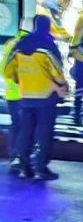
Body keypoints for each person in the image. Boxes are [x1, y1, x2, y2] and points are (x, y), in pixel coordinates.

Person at [3, 15, 67, 180]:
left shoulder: (20, 44)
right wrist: (62, 85)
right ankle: (40, 169)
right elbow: (56, 71)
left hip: (25, 96)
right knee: (43, 133)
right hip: (46, 97)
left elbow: (8, 70)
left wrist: (20, 80)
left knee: (26, 132)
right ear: (48, 27)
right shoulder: (48, 45)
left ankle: (24, 168)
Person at [0, 25, 30, 172]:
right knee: (22, 126)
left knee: (17, 125)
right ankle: (17, 156)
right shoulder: (25, 44)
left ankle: (15, 156)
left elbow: (3, 69)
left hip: (13, 93)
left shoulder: (11, 42)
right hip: (23, 93)